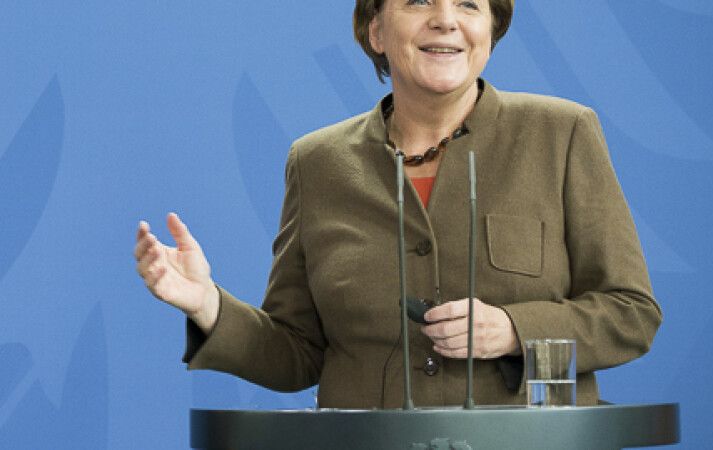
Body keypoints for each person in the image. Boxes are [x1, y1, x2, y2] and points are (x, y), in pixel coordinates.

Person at [133, 0, 661, 409]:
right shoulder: (316, 162)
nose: (446, 20)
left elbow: (630, 313)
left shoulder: (562, 133)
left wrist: (513, 330)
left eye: (469, 5)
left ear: (491, 31)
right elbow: (298, 352)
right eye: (418, 1)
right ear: (377, 31)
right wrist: (206, 304)